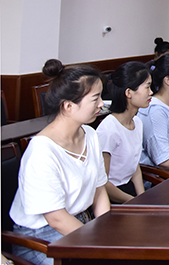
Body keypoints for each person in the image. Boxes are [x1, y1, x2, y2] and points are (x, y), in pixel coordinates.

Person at [9, 59, 110, 265]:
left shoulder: (90, 134)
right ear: (68, 106)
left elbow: (99, 191)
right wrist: (99, 244)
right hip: (42, 236)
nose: (102, 104)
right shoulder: (42, 151)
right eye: (95, 98)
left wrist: (107, 232)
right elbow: (56, 218)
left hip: (81, 224)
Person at [95, 62, 151, 203]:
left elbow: (134, 165)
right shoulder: (109, 130)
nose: (151, 92)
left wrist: (142, 198)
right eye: (147, 87)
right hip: (111, 196)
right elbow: (103, 182)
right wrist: (134, 202)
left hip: (129, 188)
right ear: (128, 93)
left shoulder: (137, 122)